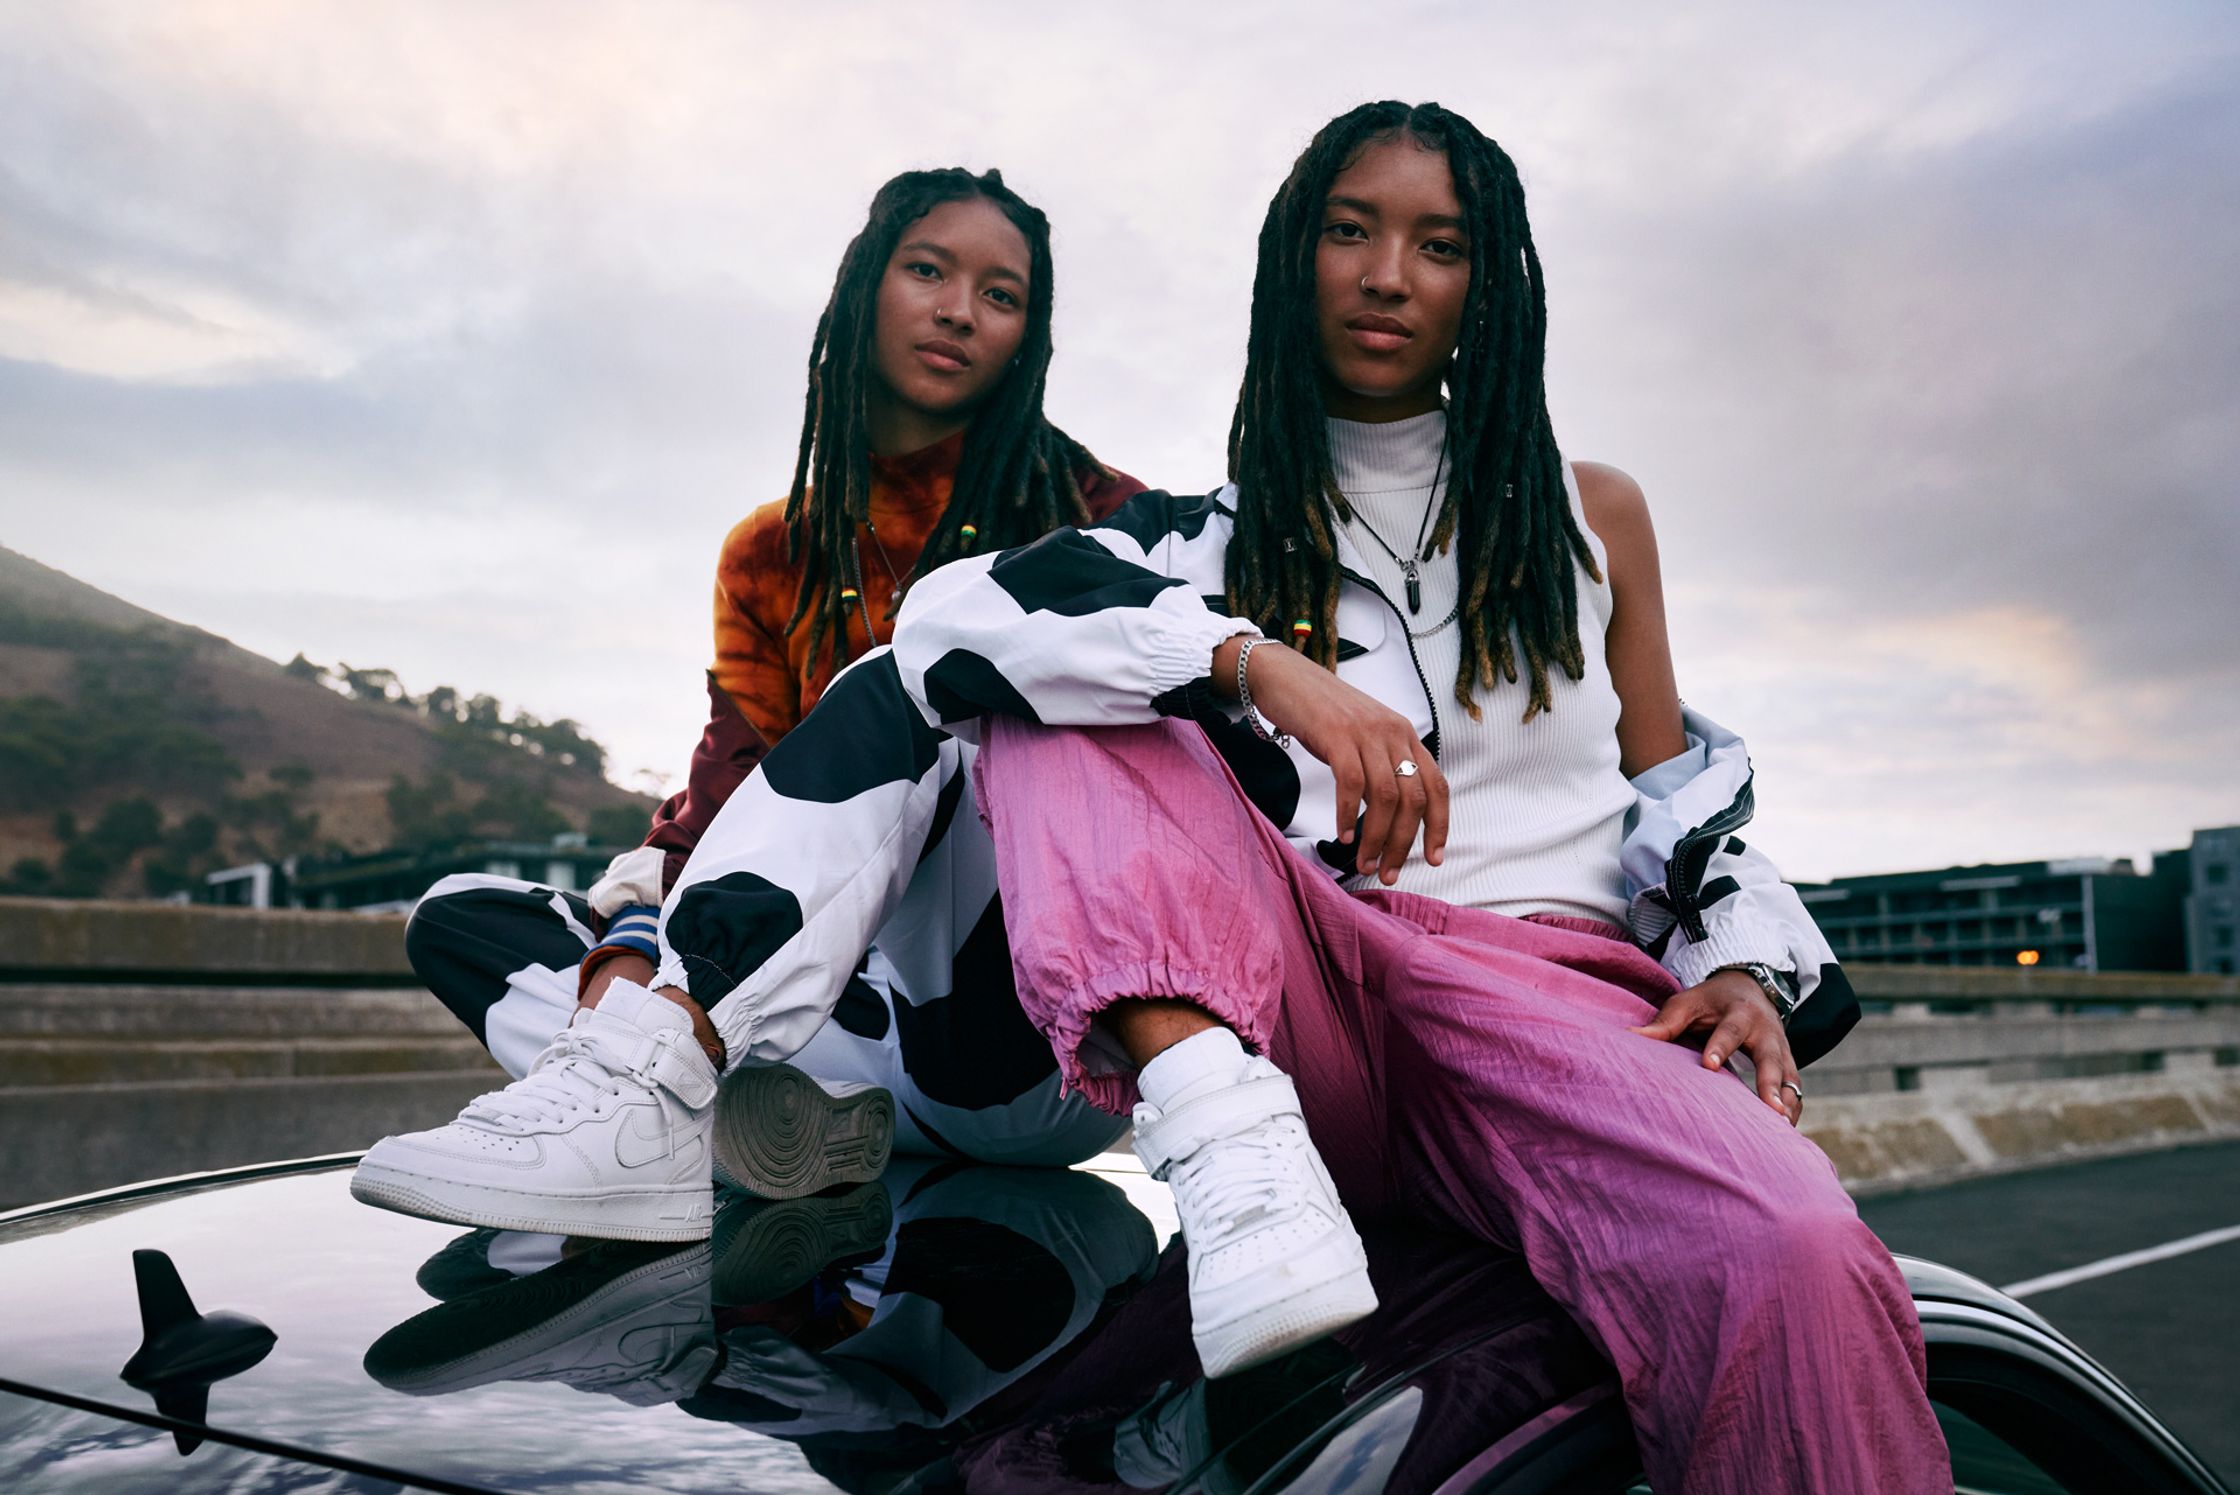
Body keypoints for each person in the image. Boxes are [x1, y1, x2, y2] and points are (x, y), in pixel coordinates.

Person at [876, 102, 1947, 1492]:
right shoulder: (1195, 541)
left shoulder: (1593, 512)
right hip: (1294, 1009)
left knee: (1792, 1240)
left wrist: (1739, 958)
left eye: (1437, 244)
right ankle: (1218, 1134)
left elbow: (1673, 791)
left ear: (1484, 284)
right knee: (1063, 671)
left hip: (1547, 1007)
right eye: (1349, 230)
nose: (1388, 274)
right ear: (1293, 259)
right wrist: (1259, 662)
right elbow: (945, 622)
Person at [353, 166, 1143, 1240]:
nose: (959, 309)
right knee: (458, 915)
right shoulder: (776, 550)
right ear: (865, 288)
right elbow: (730, 791)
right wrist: (628, 947)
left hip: (1024, 1040)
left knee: (916, 687)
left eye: (999, 295)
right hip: (831, 1026)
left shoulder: (1101, 521)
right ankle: (762, 1116)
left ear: (1026, 338)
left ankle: (692, 1099)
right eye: (927, 271)